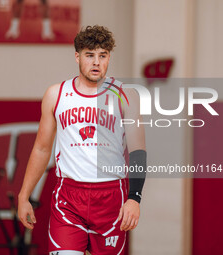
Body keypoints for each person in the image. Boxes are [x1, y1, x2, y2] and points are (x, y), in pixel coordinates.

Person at [17, 25, 146, 254]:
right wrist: (24, 195)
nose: (96, 62)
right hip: (68, 196)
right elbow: (41, 149)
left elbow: (137, 151)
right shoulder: (56, 95)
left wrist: (134, 198)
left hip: (110, 198)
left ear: (109, 58)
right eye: (89, 55)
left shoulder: (126, 95)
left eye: (102, 55)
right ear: (77, 57)